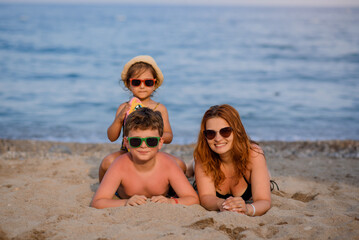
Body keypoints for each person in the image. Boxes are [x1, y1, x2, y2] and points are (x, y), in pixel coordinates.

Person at [98, 55, 186, 182]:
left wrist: (155, 137)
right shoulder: (124, 107)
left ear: (154, 84)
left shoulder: (159, 108)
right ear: (129, 84)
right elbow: (112, 137)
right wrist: (118, 119)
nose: (142, 86)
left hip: (152, 153)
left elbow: (169, 136)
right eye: (136, 82)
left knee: (181, 165)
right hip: (128, 153)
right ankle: (107, 189)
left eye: (148, 82)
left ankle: (169, 188)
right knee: (106, 162)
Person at [91, 107, 199, 208]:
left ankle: (191, 167)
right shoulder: (120, 165)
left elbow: (193, 198)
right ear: (126, 143)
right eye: (136, 141)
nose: (143, 146)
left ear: (160, 143)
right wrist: (125, 202)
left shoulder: (168, 164)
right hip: (121, 196)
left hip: (167, 191)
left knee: (180, 164)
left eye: (151, 141)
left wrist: (171, 201)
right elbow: (98, 202)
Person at [193, 104, 271, 216]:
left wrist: (247, 209)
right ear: (204, 135)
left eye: (225, 131)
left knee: (266, 175)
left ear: (237, 130)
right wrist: (222, 204)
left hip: (251, 161)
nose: (218, 138)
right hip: (207, 158)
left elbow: (264, 200)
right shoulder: (202, 156)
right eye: (210, 133)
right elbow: (206, 197)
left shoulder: (254, 154)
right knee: (189, 169)